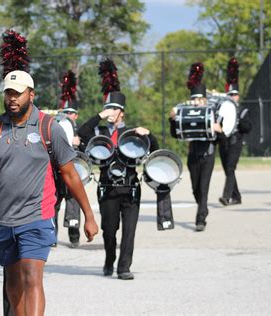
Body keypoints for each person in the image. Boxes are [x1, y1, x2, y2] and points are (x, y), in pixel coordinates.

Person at [0, 69, 99, 315]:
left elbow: (70, 174)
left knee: (32, 277)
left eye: (18, 94)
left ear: (31, 95)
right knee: (12, 282)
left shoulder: (49, 127)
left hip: (37, 216)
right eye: (9, 94)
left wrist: (88, 215)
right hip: (3, 217)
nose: (12, 99)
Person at [77, 57, 158, 280]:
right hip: (108, 188)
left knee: (129, 232)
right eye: (107, 108)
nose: (110, 112)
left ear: (121, 112)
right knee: (109, 230)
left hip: (130, 188)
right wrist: (98, 117)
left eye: (113, 109)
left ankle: (124, 267)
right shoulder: (99, 132)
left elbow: (156, 150)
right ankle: (109, 260)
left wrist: (149, 134)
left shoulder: (132, 132)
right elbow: (80, 135)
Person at [169, 62, 222, 232]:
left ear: (205, 100)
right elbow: (176, 134)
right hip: (193, 155)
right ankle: (203, 208)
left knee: (204, 187)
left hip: (208, 155)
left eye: (200, 99)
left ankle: (201, 220)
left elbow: (221, 138)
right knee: (195, 189)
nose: (197, 102)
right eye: (194, 99)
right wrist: (172, 120)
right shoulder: (185, 113)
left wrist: (218, 130)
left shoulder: (213, 113)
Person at [53, 70, 84, 248]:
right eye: (65, 112)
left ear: (76, 115)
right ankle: (53, 236)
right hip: (57, 173)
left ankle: (74, 235)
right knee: (53, 204)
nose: (68, 116)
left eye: (71, 113)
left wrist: (79, 143)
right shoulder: (54, 128)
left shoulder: (80, 131)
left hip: (74, 172)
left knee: (74, 204)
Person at [218, 57, 252, 206]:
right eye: (230, 95)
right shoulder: (222, 108)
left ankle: (226, 196)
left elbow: (248, 127)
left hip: (236, 142)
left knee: (230, 168)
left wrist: (239, 122)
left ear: (238, 96)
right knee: (228, 170)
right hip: (223, 141)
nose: (232, 97)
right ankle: (237, 196)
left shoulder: (243, 110)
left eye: (234, 95)